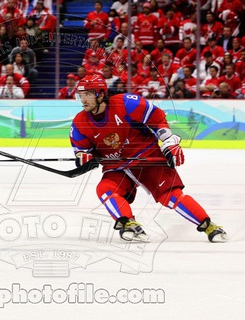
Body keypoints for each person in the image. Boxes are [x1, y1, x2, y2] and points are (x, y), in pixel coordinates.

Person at [70, 74, 227, 243]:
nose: (83, 99)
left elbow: (157, 117)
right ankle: (128, 223)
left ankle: (210, 226)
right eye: (81, 95)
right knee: (105, 189)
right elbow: (82, 151)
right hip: (117, 166)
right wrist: (83, 158)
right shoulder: (79, 123)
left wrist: (168, 140)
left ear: (100, 94)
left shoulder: (126, 103)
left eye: (88, 94)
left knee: (171, 196)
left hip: (147, 156)